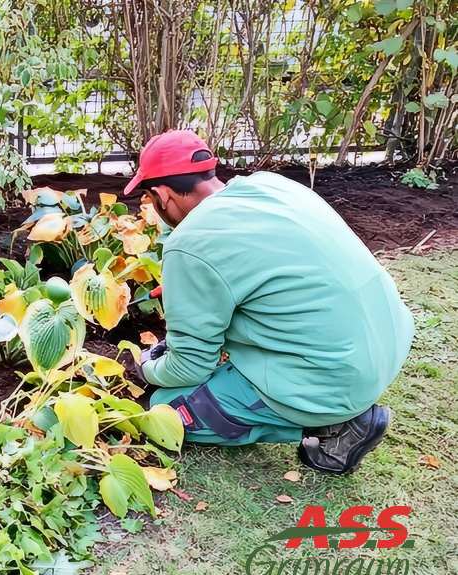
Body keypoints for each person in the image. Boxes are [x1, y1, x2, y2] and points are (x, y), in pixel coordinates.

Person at [125, 130, 414, 474]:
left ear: (162, 195)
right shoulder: (272, 186)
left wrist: (145, 368)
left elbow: (190, 367)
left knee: (164, 409)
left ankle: (335, 426)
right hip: (384, 345)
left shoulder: (190, 243)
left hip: (333, 377)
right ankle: (331, 407)